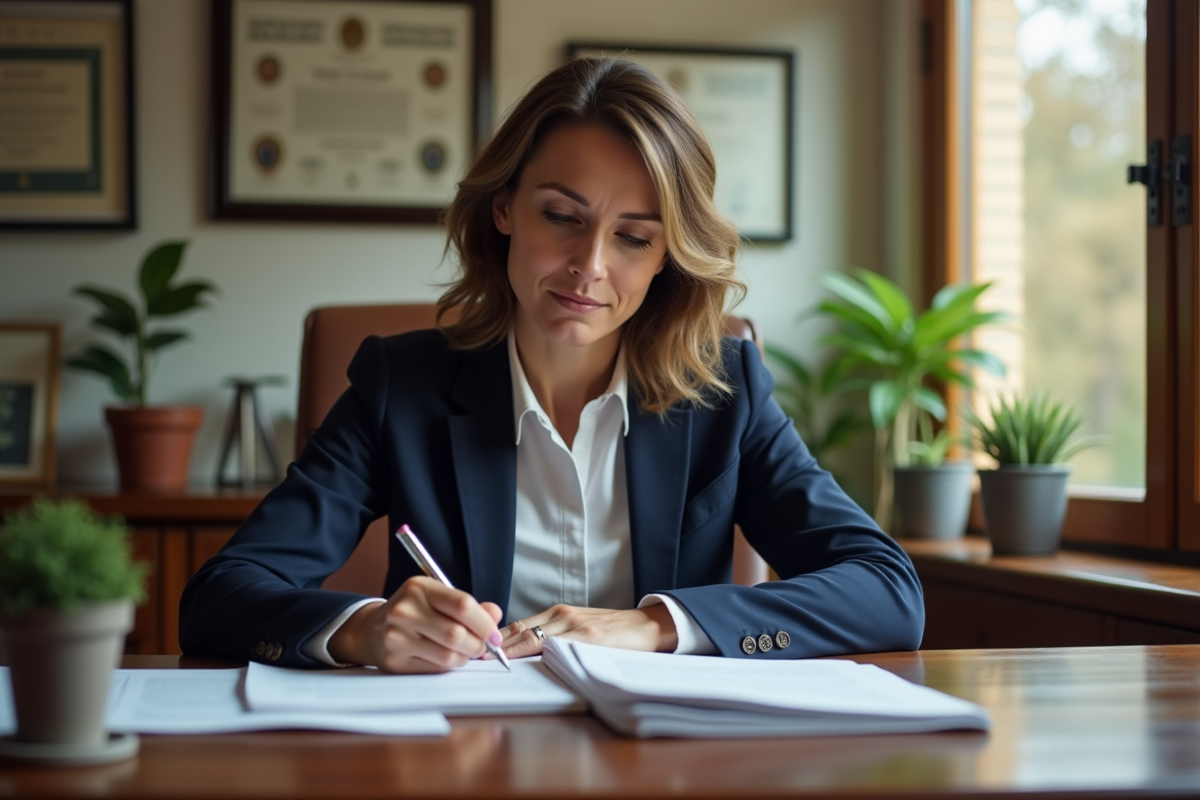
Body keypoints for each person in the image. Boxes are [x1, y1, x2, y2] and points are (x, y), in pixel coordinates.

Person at [180, 57, 923, 673]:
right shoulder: (398, 388)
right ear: (504, 208)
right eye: (562, 218)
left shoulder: (729, 392)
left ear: (668, 256)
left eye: (634, 237)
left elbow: (889, 592)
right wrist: (364, 629)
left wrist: (656, 625)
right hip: (461, 762)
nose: (589, 268)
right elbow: (219, 597)